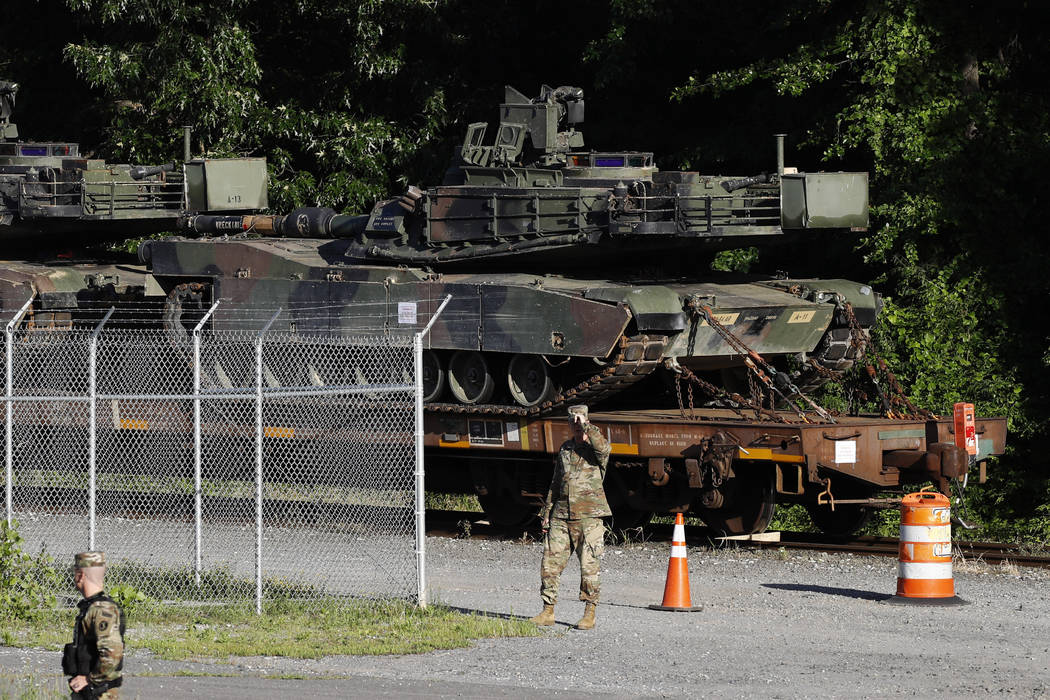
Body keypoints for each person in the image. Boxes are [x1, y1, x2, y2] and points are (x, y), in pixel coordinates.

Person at [529, 404, 611, 630]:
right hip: (562, 517)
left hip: (589, 518)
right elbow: (556, 484)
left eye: (580, 420)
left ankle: (589, 613)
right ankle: (548, 611)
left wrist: (585, 424)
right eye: (572, 421)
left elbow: (604, 448)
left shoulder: (596, 449)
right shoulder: (565, 449)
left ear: (587, 420)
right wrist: (547, 513)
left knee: (589, 568)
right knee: (549, 564)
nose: (576, 424)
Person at [63, 552, 125, 699]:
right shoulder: (93, 608)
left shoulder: (102, 610)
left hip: (98, 692)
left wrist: (89, 679)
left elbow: (112, 653)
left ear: (80, 576)